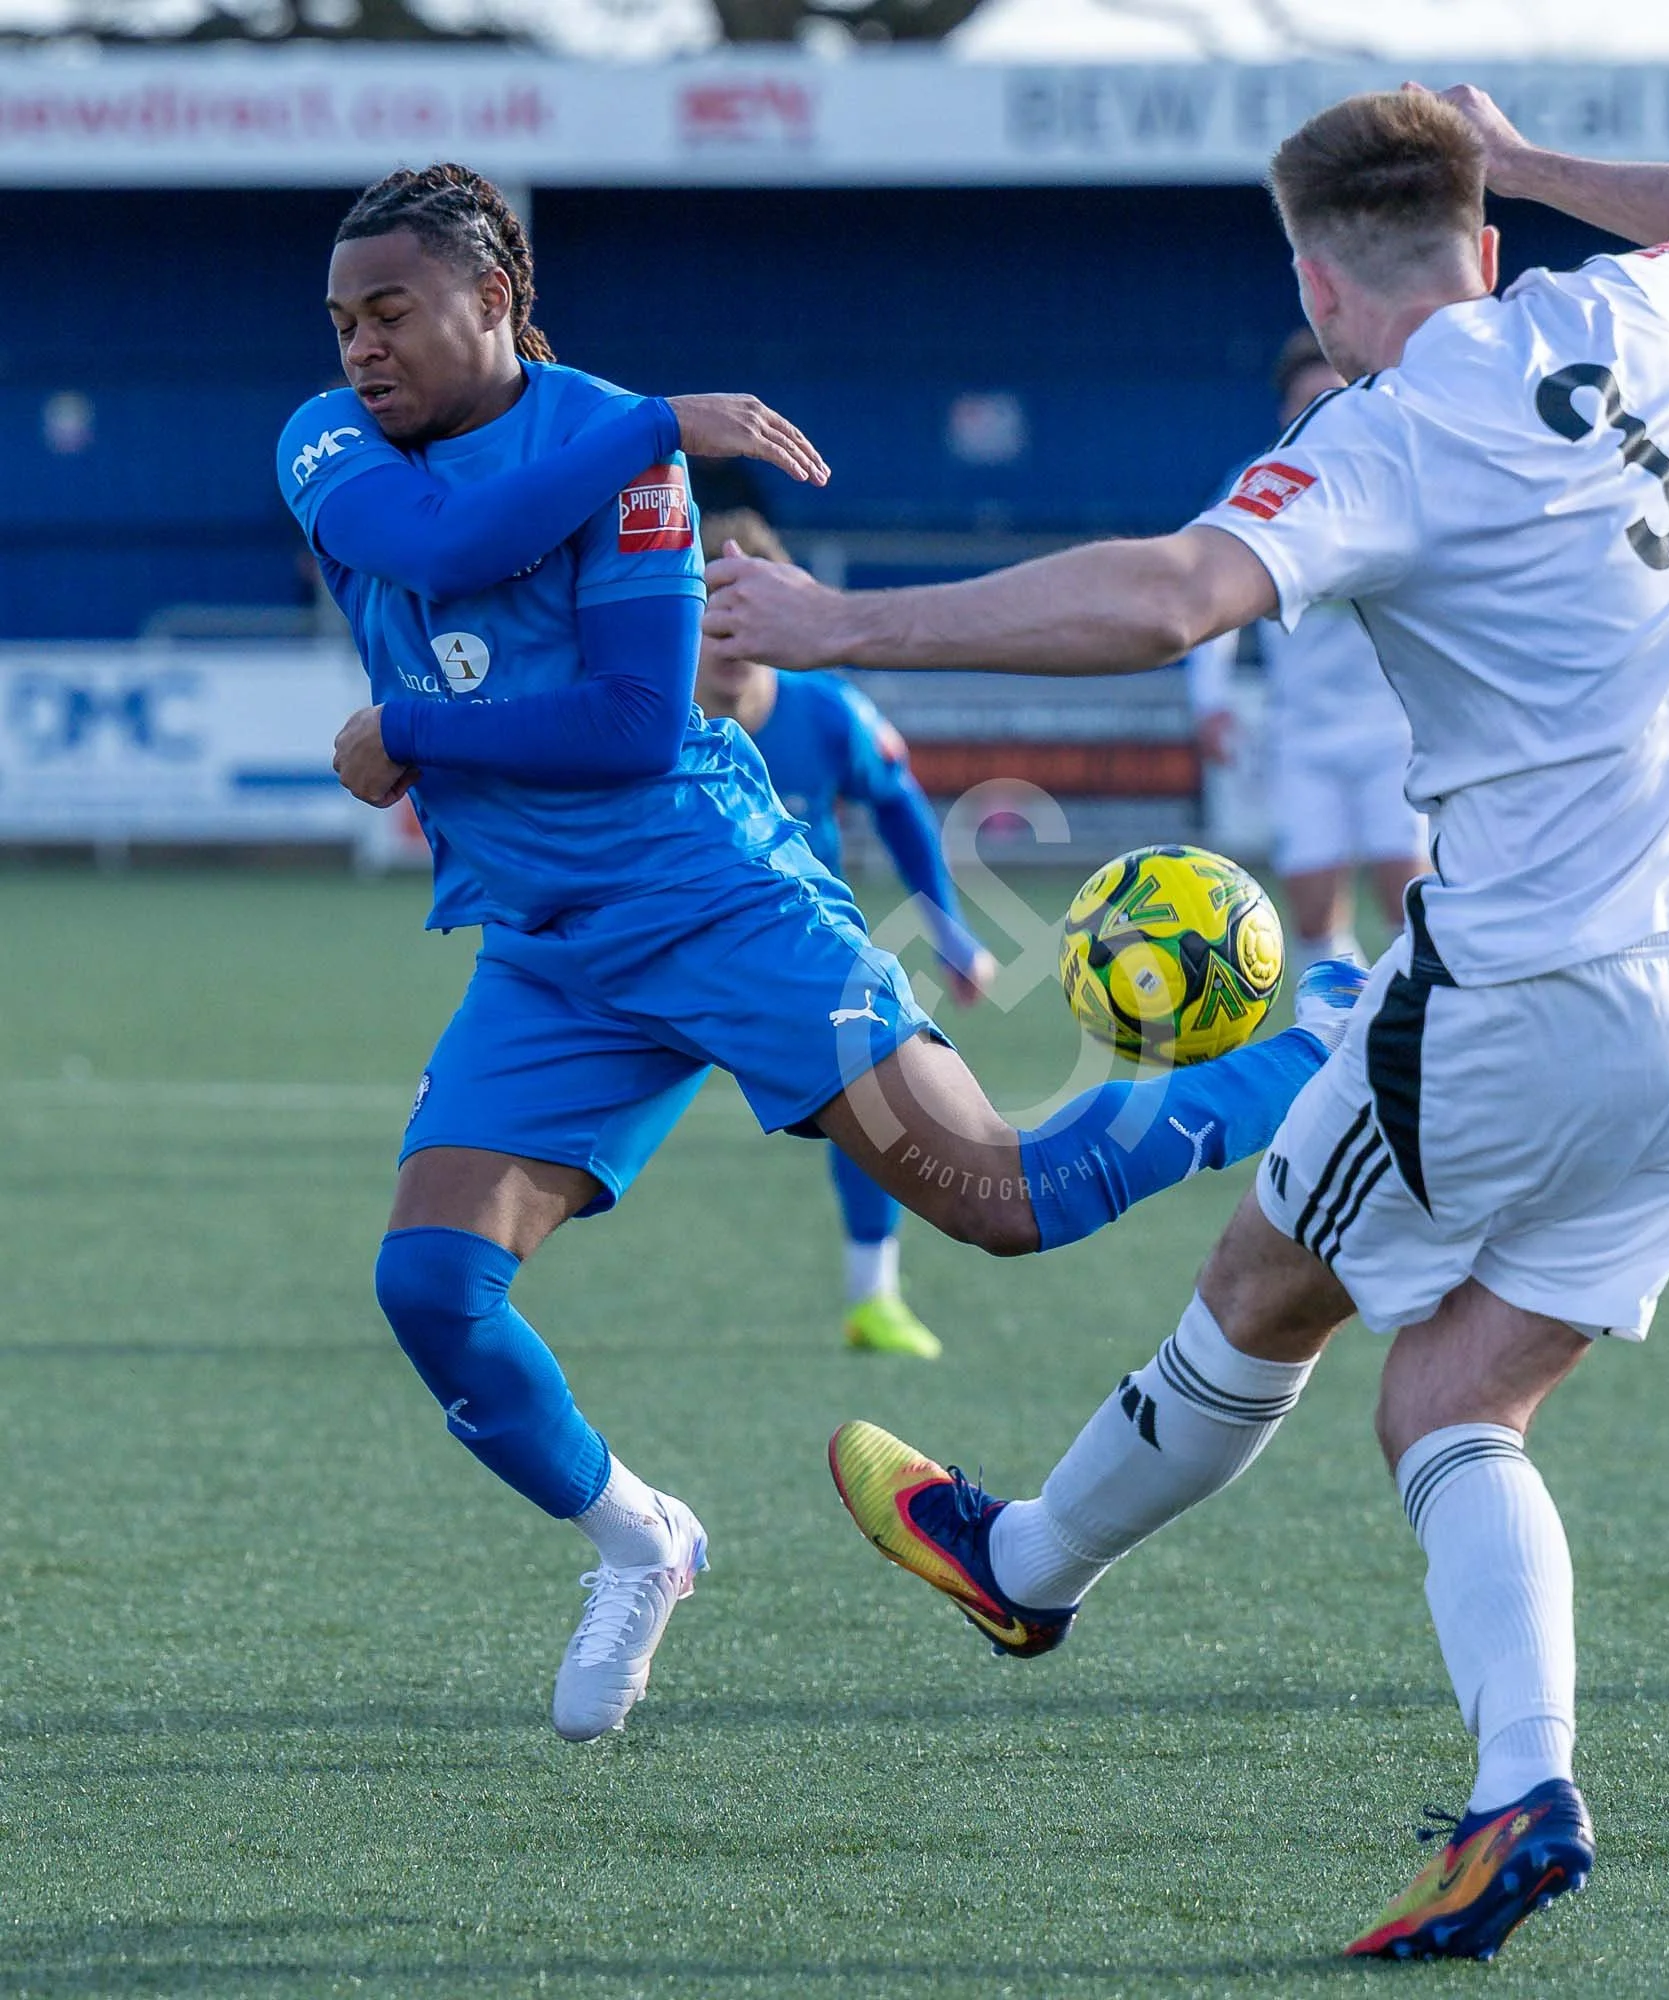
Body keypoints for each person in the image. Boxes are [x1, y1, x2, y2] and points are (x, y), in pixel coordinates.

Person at [707, 85, 1669, 1960]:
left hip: (1525, 999)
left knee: (1259, 1293)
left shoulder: (1384, 435)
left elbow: (1170, 596)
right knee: (1459, 1398)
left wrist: (838, 623)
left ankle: (1028, 1566)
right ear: (1488, 242)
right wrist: (1531, 158)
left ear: (1312, 274)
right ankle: (1515, 1797)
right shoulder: (1620, 314)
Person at [276, 165, 1344, 1745]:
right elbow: (437, 546)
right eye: (344, 319)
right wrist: (653, 418)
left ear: (494, 302)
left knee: (1000, 1199)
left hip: (722, 904)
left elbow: (640, 730)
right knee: (432, 1282)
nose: (359, 347)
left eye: (394, 312)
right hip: (550, 951)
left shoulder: (631, 469)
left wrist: (411, 724)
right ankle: (643, 1541)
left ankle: (1330, 1038)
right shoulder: (335, 438)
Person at [694, 506, 999, 1361]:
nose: (726, 635)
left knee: (871, 1088)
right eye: (708, 610)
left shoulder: (827, 714)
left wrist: (952, 933)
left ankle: (875, 1299)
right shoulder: (642, 713)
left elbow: (900, 807)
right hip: (666, 954)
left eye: (744, 614)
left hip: (798, 953)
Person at [1186, 329, 1426, 966]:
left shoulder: (1393, 476)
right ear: (1286, 413)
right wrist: (1207, 700)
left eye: (1335, 396)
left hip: (1394, 732)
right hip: (1303, 734)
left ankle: (1420, 1039)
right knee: (1313, 909)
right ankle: (1331, 1038)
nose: (1322, 413)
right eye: (1307, 401)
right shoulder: (1257, 487)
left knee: (1408, 900)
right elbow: (1208, 591)